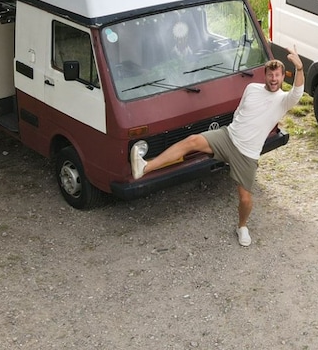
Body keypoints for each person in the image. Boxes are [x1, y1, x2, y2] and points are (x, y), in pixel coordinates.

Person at [131, 46, 305, 247]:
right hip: (227, 137)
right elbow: (239, 111)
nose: (273, 79)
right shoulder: (252, 89)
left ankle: (242, 226)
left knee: (246, 200)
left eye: (277, 75)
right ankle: (144, 167)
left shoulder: (283, 100)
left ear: (283, 77)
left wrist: (299, 69)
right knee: (192, 140)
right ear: (264, 75)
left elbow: (298, 92)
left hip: (247, 155)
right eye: (270, 74)